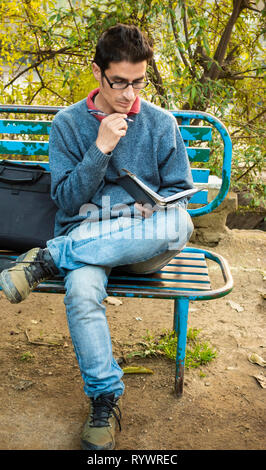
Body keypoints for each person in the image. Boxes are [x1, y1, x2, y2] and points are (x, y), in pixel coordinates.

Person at [0, 24, 194, 450]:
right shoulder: (69, 124)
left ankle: (49, 258)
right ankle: (104, 398)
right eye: (119, 82)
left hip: (141, 240)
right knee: (82, 290)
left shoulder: (161, 124)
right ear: (97, 73)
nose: (129, 94)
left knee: (180, 224)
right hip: (88, 235)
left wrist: (150, 205)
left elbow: (178, 192)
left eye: (138, 82)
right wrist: (100, 148)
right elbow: (67, 201)